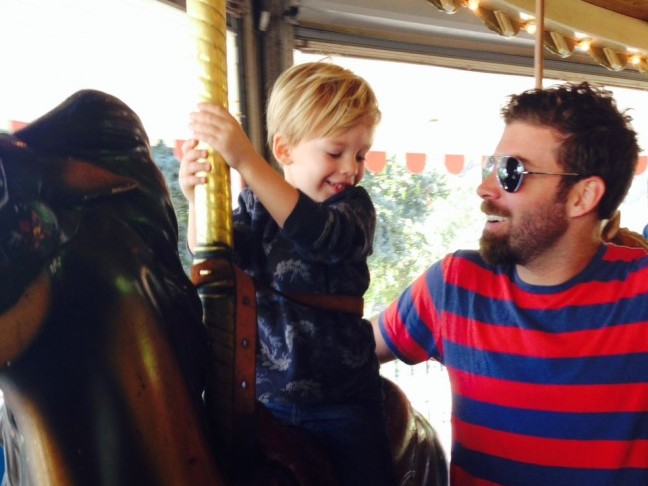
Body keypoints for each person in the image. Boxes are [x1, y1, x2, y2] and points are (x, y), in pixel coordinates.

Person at [372, 81, 648, 485]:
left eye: (511, 172)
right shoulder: (454, 287)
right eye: (491, 167)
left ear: (582, 197)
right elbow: (342, 355)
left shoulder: (640, 294)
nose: (485, 188)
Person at [180, 61, 395, 485]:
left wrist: (245, 159)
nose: (351, 168)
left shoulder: (353, 210)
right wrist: (196, 202)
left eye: (361, 155)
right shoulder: (254, 210)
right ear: (284, 151)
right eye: (335, 152)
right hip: (264, 401)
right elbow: (216, 256)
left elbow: (318, 234)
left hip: (343, 404)